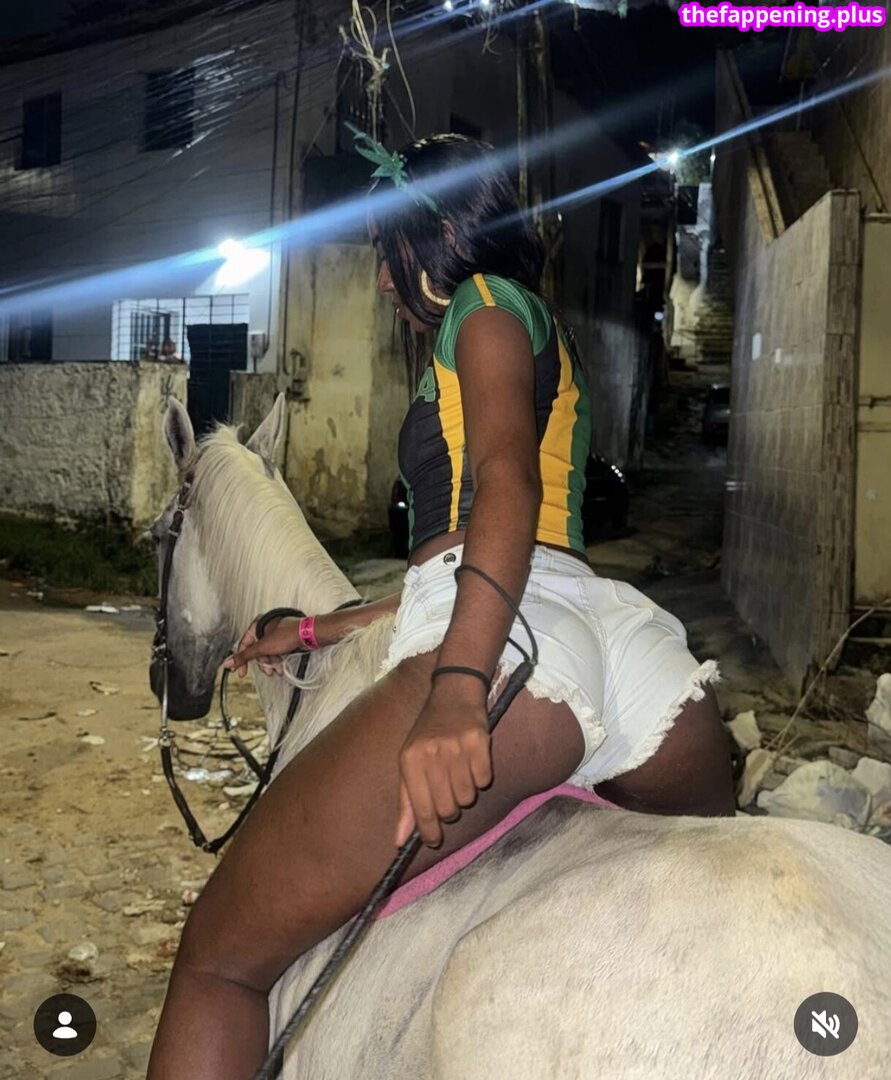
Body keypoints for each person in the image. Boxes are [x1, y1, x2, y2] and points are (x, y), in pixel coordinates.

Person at [147, 133, 734, 1079]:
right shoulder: (530, 323)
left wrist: (459, 686)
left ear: (445, 234)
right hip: (620, 650)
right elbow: (479, 552)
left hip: (514, 657)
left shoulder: (483, 307)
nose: (385, 281)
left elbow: (504, 485)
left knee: (216, 961)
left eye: (390, 251)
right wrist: (322, 627)